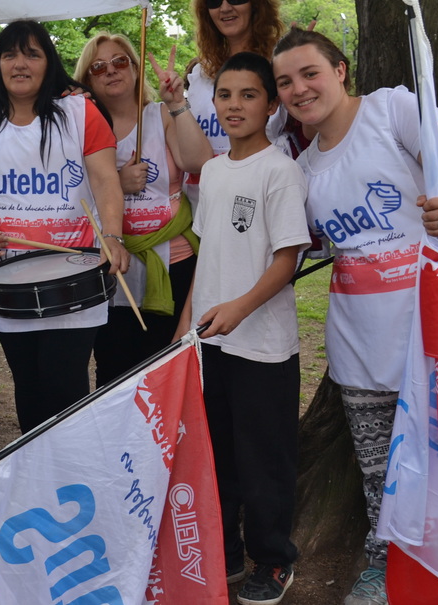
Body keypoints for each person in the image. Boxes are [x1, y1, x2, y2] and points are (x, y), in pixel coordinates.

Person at [272, 29, 438, 605]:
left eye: (309, 73)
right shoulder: (301, 169)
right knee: (380, 473)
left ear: (340, 70)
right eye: (284, 82)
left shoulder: (394, 108)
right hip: (360, 340)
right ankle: (390, 573)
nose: (298, 89)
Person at [0, 20, 130, 433]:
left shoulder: (80, 112)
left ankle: (71, 468)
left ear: (49, 62)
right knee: (28, 389)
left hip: (73, 280)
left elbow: (105, 180)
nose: (20, 64)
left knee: (66, 390)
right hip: (5, 281)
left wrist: (113, 236)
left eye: (32, 54)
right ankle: (35, 470)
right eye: (9, 55)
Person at [174, 52, 308, 605]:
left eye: (248, 95)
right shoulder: (212, 171)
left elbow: (288, 258)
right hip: (209, 342)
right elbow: (208, 255)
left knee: (264, 460)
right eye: (225, 95)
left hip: (263, 347)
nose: (234, 105)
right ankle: (225, 550)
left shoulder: (280, 170)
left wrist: (240, 308)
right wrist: (186, 326)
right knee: (219, 453)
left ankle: (273, 560)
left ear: (271, 105)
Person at [74, 33, 213, 383]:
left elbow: (199, 162)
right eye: (98, 67)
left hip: (172, 261)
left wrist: (177, 103)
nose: (111, 70)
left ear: (136, 69)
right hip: (111, 264)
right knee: (113, 367)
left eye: (120, 61)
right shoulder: (80, 126)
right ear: (87, 78)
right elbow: (70, 195)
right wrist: (117, 183)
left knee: (165, 366)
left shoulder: (160, 115)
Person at [186, 0, 289, 207]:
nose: (225, 8)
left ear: (255, 2)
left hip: (264, 197)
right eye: (214, 1)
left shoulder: (281, 65)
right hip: (206, 204)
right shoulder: (199, 74)